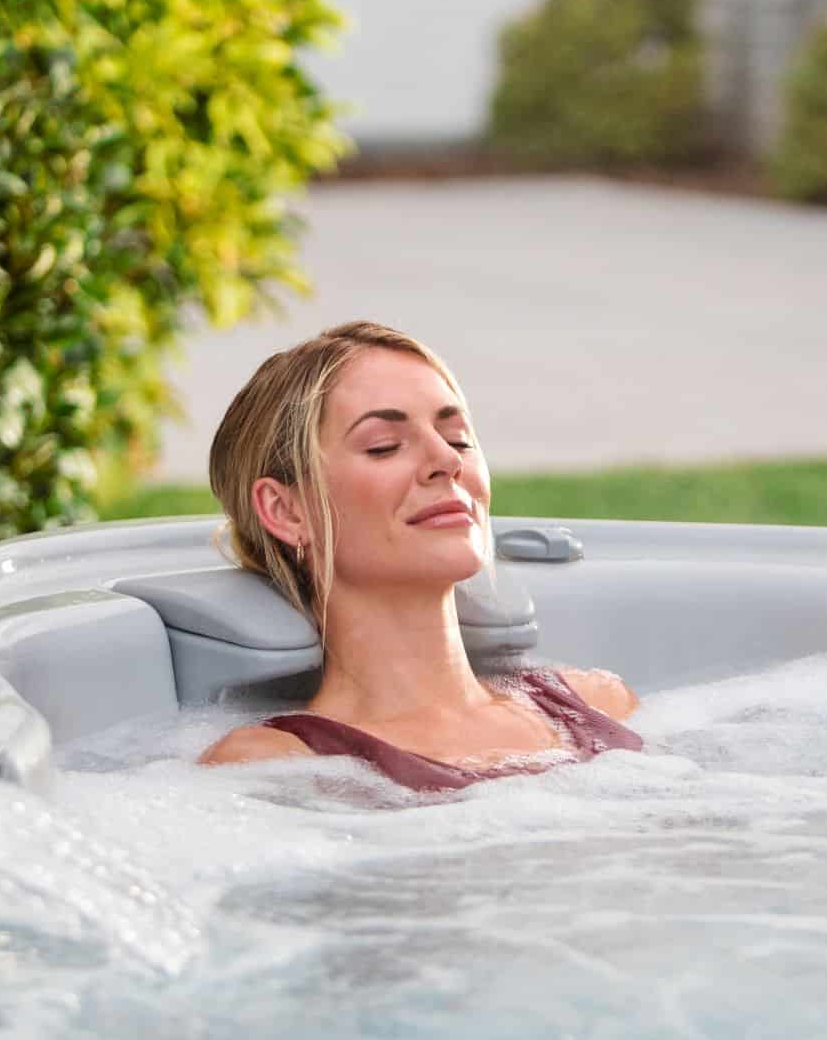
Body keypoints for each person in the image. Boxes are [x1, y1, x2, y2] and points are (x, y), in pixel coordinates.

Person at [198, 321, 641, 790]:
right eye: (384, 446)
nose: (447, 461)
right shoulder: (276, 764)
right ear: (287, 511)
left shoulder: (597, 703)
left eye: (458, 439)